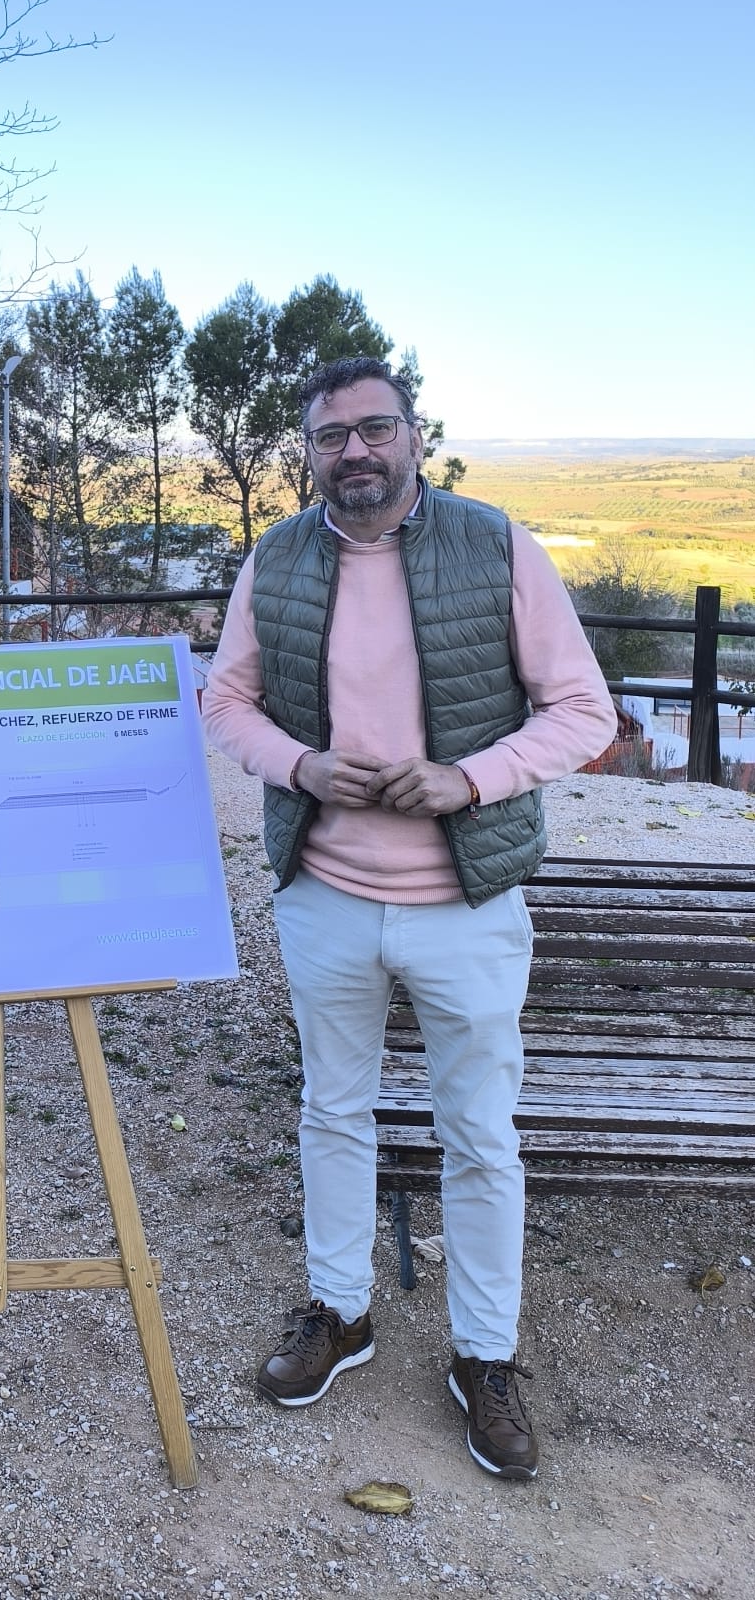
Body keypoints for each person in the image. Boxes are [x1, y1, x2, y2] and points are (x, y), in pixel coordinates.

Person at [203, 356, 615, 1481]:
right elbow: (226, 702)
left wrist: (469, 779)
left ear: (414, 433)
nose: (356, 453)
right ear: (309, 452)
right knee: (332, 1108)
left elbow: (585, 709)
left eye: (374, 429)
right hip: (324, 896)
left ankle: (485, 1355)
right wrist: (301, 765)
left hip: (466, 905)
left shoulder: (495, 546)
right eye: (332, 437)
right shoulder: (276, 558)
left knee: (480, 1133)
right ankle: (339, 1312)